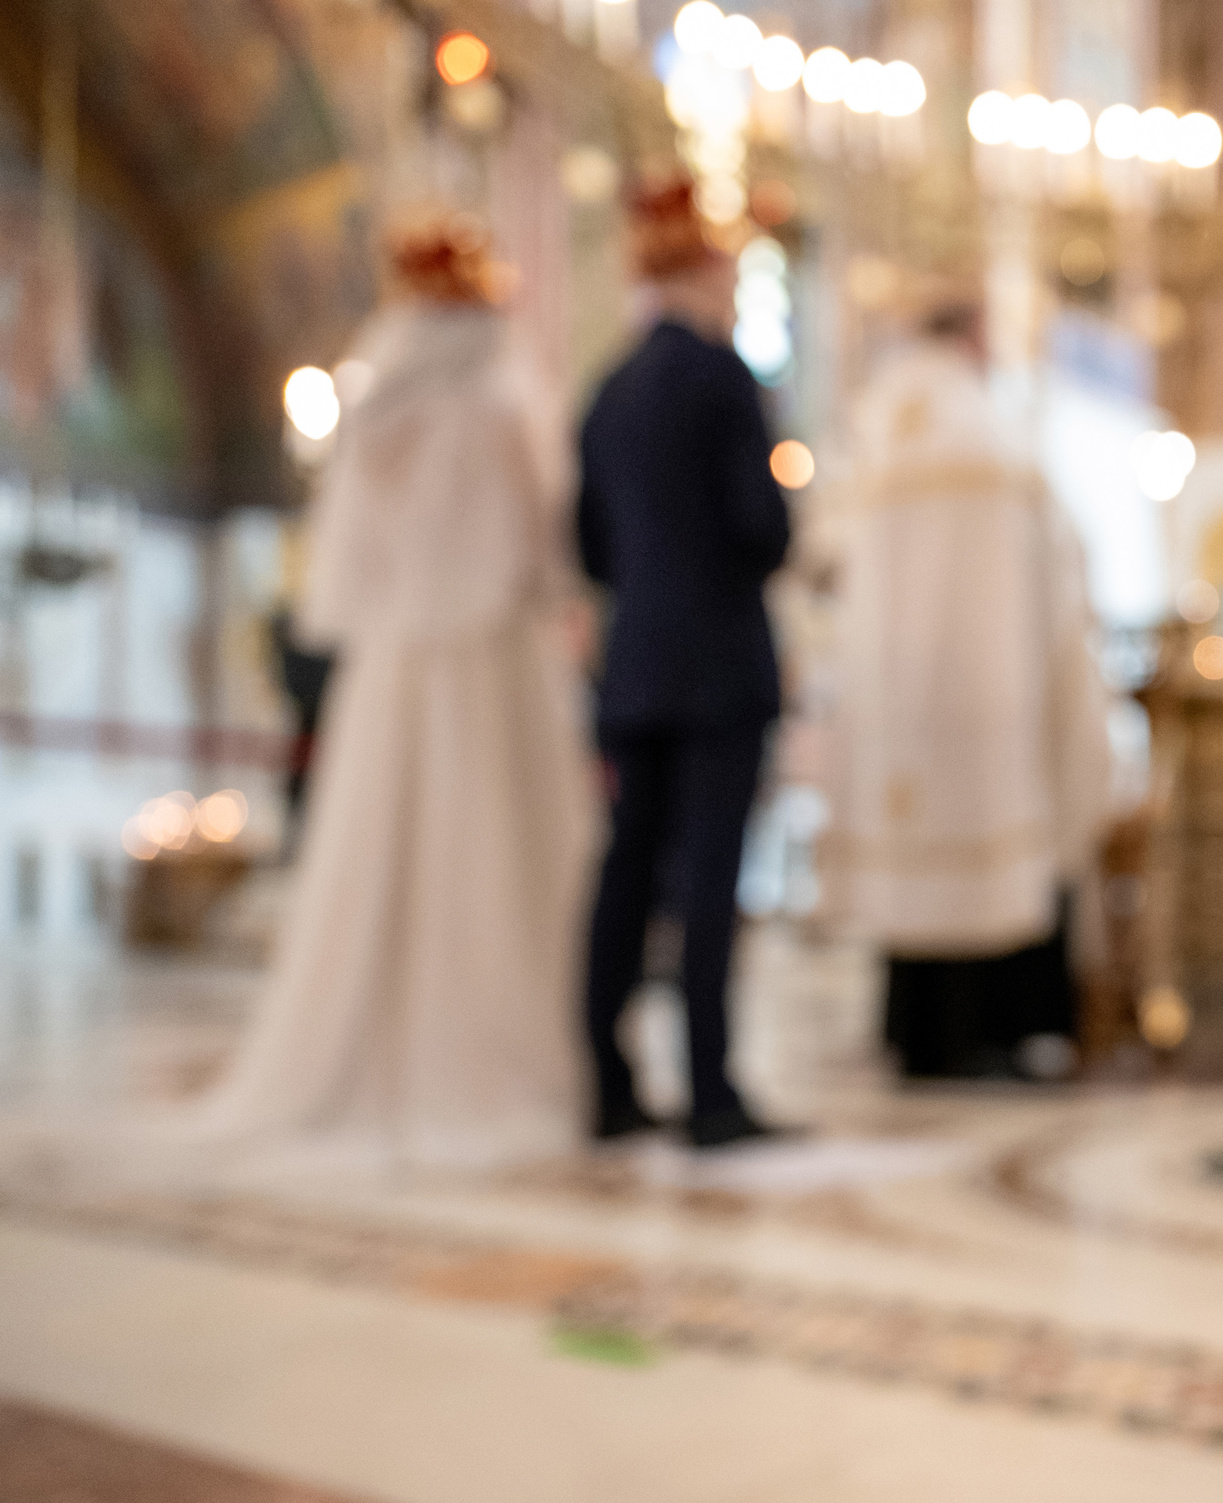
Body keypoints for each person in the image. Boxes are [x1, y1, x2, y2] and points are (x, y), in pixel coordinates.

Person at [198, 213, 593, 1168]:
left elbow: (348, 565)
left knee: (381, 862)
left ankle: (380, 1048)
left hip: (393, 672)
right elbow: (541, 553)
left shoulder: (374, 411)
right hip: (489, 664)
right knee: (491, 859)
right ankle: (501, 1061)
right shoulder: (500, 402)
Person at [836, 300, 1113, 1079]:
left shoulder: (877, 430)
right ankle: (995, 1028)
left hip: (897, 702)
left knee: (917, 851)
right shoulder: (990, 431)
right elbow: (1056, 558)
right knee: (992, 843)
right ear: (975, 341)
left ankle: (916, 1030)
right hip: (990, 695)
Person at [579, 177, 794, 1146]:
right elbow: (762, 526)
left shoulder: (608, 392)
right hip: (717, 669)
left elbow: (587, 547)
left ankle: (608, 1084)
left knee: (627, 873)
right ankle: (709, 1090)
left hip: (633, 669)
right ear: (706, 277)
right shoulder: (723, 378)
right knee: (711, 880)